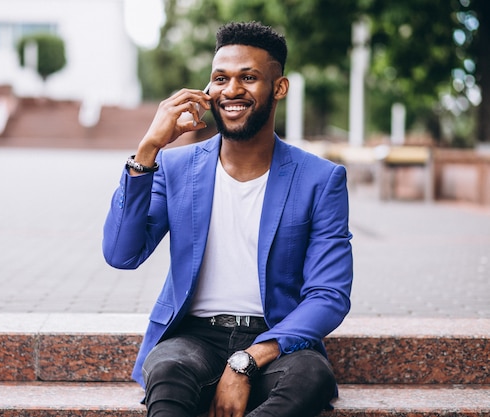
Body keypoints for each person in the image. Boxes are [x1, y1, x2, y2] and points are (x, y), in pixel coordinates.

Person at [103, 21, 353, 417]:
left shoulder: (320, 179)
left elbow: (329, 295)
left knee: (310, 378)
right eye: (221, 78)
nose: (232, 90)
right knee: (166, 370)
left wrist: (248, 360)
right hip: (193, 338)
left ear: (279, 88)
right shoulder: (174, 165)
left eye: (248, 78)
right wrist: (148, 149)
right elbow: (121, 253)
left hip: (277, 342)